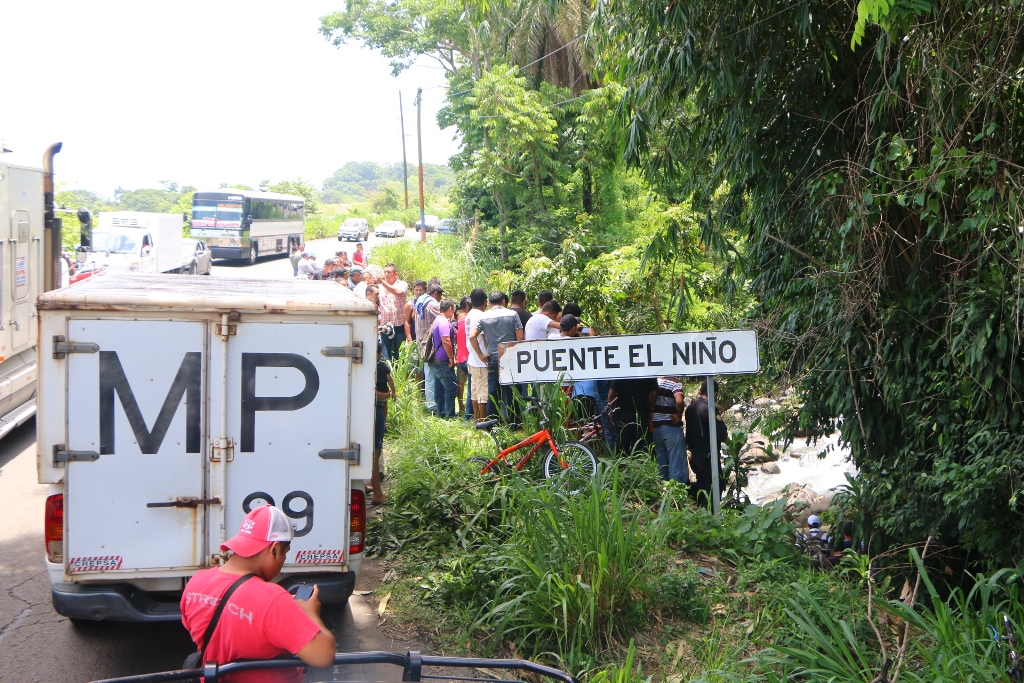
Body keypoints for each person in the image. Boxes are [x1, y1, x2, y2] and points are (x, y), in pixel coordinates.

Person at [180, 506, 336, 681]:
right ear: (274, 549)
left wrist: (285, 611)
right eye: (285, 553)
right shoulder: (272, 599)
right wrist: (310, 614)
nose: (283, 560)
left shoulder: (197, 582)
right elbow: (324, 656)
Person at [470, 291, 524, 422]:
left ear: (489, 302)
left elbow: (472, 336)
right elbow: (520, 337)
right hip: (510, 357)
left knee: (493, 392)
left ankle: (492, 424)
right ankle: (514, 423)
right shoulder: (513, 314)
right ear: (504, 302)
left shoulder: (483, 317)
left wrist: (481, 355)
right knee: (513, 391)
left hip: (493, 358)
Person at [684, 379, 728, 507]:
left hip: (695, 455)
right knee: (715, 488)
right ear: (714, 393)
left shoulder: (690, 408)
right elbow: (722, 435)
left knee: (702, 486)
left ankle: (701, 513)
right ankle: (711, 516)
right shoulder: (711, 409)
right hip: (709, 456)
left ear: (700, 391)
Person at [649, 376, 688, 483]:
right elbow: (679, 401)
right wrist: (679, 415)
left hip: (657, 428)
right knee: (676, 463)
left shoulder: (655, 380)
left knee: (662, 463)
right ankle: (675, 493)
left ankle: (662, 490)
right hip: (671, 428)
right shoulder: (674, 382)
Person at [371, 346, 396, 504]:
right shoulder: (375, 368)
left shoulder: (373, 368)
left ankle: (369, 485)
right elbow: (374, 393)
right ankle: (377, 493)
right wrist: (389, 394)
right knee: (375, 453)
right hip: (376, 411)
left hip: (377, 410)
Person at [608, 376, 658, 456]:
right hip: (642, 415)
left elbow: (611, 394)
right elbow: (654, 394)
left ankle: (623, 467)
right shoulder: (648, 372)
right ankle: (640, 468)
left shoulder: (622, 372)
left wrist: (611, 412)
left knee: (621, 452)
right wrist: (649, 407)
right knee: (641, 452)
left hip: (623, 416)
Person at [416, 283, 443, 414]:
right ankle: (432, 405)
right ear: (436, 294)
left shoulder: (420, 301)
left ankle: (430, 402)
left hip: (421, 342)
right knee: (432, 374)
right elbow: (445, 317)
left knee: (428, 373)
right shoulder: (432, 304)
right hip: (430, 344)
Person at [428, 298, 458, 418]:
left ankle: (441, 413)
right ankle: (449, 415)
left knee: (439, 388)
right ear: (450, 308)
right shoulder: (444, 322)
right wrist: (451, 358)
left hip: (435, 360)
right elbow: (446, 340)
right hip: (442, 360)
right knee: (451, 387)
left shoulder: (436, 320)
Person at [464, 288, 489, 423]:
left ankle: (476, 418)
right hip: (480, 361)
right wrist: (481, 354)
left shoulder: (468, 315)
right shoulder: (481, 316)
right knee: (482, 393)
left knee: (474, 391)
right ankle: (483, 421)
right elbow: (478, 337)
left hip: (471, 359)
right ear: (485, 302)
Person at [377, 264, 408, 361]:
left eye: (389, 272)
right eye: (385, 272)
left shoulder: (402, 284)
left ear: (396, 274)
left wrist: (383, 283)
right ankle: (387, 374)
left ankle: (399, 374)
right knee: (386, 352)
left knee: (399, 352)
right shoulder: (379, 287)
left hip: (399, 325)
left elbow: (398, 293)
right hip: (385, 325)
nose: (386, 274)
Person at [455, 297, 472, 418]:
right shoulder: (470, 320)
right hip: (470, 357)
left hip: (459, 357)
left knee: (460, 384)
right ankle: (470, 413)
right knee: (472, 387)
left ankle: (461, 406)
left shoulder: (457, 320)